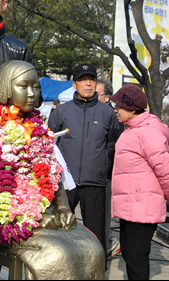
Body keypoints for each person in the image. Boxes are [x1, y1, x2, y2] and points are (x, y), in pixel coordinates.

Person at [0, 61, 105, 280]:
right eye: (23, 86)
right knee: (57, 255)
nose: (32, 93)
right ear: (6, 88)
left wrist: (63, 209)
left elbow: (54, 175)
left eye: (35, 87)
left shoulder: (41, 131)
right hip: (8, 220)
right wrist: (30, 217)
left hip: (45, 214)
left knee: (93, 249)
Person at [48, 63, 121, 266]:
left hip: (95, 181)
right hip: (66, 182)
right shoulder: (61, 112)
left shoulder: (108, 113)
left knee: (95, 232)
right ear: (74, 84)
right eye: (82, 79)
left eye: (91, 79)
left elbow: (113, 143)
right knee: (62, 229)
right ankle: (63, 268)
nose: (88, 83)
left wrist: (101, 164)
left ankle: (96, 269)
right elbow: (48, 141)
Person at [109, 84, 169, 280]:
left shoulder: (147, 132)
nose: (115, 110)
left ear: (132, 109)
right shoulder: (132, 130)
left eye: (119, 106)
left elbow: (167, 171)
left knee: (136, 259)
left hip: (141, 206)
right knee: (132, 257)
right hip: (132, 206)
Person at [96, 78, 122, 260]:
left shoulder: (113, 117)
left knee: (103, 218)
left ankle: (104, 249)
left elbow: (114, 146)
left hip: (106, 174)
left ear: (107, 98)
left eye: (97, 94)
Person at [159, 41, 169, 110]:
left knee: (167, 102)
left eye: (166, 51)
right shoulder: (157, 64)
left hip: (166, 92)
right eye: (163, 50)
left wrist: (168, 89)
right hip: (157, 90)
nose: (165, 53)